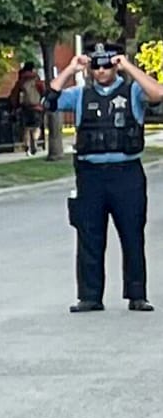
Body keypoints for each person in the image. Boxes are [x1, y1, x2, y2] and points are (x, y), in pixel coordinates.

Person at [50, 42, 158, 311]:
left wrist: (129, 66)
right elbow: (49, 100)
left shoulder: (132, 91)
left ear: (116, 64)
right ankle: (89, 296)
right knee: (89, 235)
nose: (100, 70)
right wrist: (70, 69)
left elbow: (157, 94)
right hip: (90, 175)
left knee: (132, 234)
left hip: (127, 174)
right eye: (95, 65)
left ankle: (137, 294)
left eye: (106, 64)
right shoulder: (80, 95)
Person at [11, 59, 48, 155]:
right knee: (37, 127)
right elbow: (43, 91)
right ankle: (34, 141)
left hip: (25, 107)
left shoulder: (21, 81)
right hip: (37, 107)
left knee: (26, 128)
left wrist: (15, 107)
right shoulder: (36, 79)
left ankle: (27, 147)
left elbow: (15, 94)